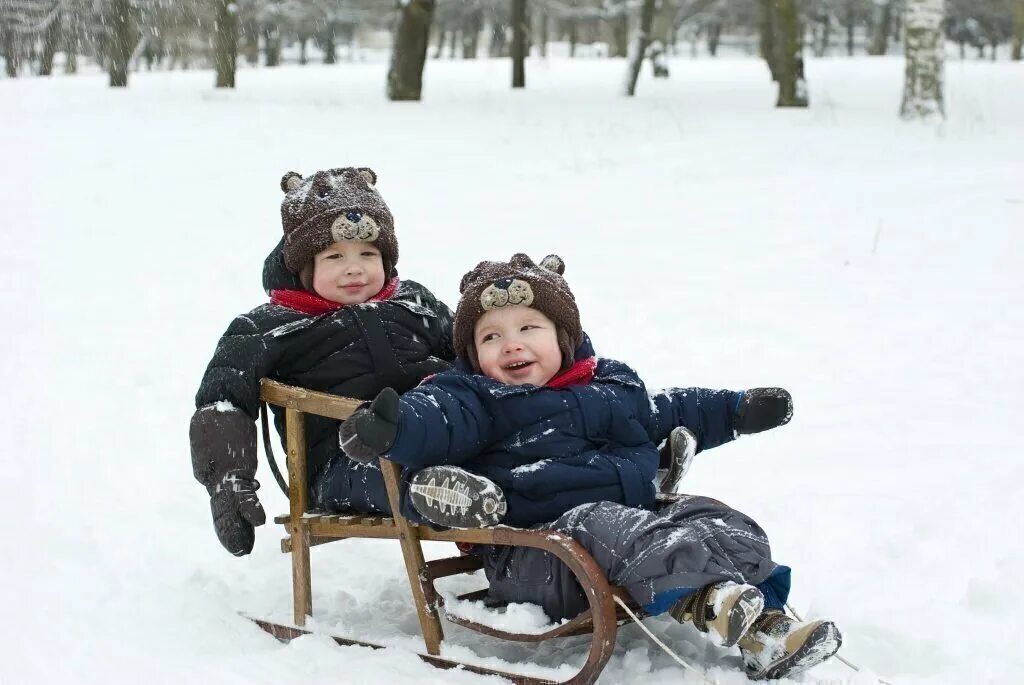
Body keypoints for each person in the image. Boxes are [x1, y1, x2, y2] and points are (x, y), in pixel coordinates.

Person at [339, 253, 838, 680]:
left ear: (566, 337)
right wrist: (395, 427)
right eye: (490, 337)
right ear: (472, 355)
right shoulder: (474, 399)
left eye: (528, 328)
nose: (511, 344)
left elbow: (667, 410)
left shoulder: (609, 387)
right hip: (541, 555)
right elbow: (436, 420)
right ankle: (706, 599)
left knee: (715, 517)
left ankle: (767, 630)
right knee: (605, 521)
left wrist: (734, 411)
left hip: (626, 531)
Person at [188, 167, 454, 557]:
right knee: (407, 475)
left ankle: (530, 557)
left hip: (440, 435)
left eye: (368, 253)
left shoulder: (414, 302)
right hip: (345, 463)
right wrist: (228, 481)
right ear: (303, 265)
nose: (354, 268)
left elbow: (470, 357)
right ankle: (445, 493)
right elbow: (222, 401)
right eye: (334, 256)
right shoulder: (268, 327)